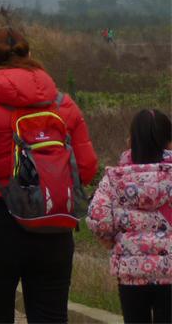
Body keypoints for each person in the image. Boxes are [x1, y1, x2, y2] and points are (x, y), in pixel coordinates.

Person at [0, 27, 98, 323]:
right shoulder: (63, 104)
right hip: (54, 222)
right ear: (30, 56)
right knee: (52, 316)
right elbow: (87, 169)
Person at [87, 109, 172, 324]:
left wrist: (110, 242)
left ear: (130, 140)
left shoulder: (115, 178)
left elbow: (99, 220)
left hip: (131, 273)